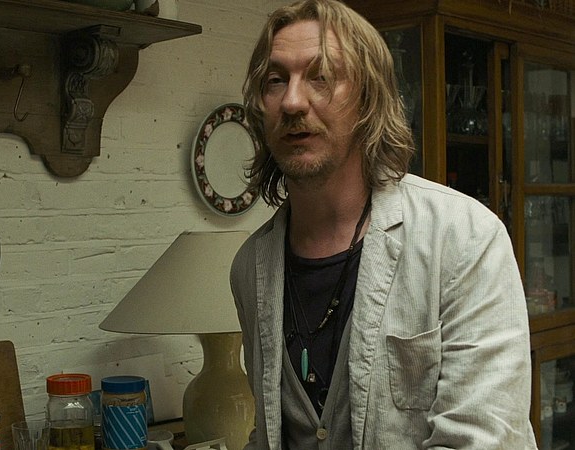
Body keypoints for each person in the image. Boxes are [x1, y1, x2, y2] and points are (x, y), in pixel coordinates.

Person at [229, 1, 537, 448]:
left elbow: (483, 439)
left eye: (321, 76)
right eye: (276, 80)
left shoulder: (464, 238)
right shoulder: (250, 266)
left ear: (369, 100)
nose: (293, 101)